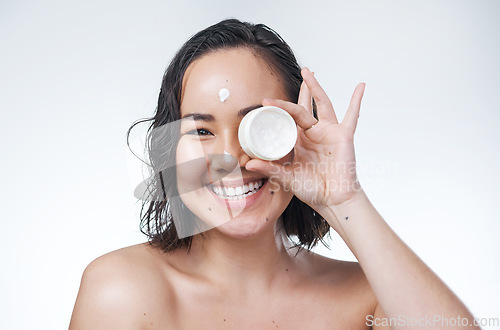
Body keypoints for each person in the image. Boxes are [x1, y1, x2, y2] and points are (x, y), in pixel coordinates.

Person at [69, 19, 477, 329]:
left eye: (257, 127)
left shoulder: (368, 299)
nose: (230, 156)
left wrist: (345, 198)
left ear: (299, 135)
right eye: (202, 131)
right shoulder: (122, 290)